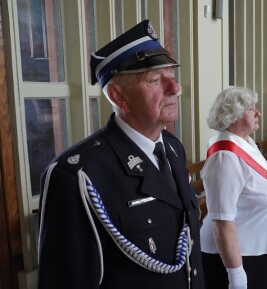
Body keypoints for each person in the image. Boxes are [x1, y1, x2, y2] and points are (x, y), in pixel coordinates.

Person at [37, 20, 204, 288]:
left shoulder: (172, 148)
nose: (174, 89)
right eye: (155, 80)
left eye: (172, 76)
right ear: (118, 96)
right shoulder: (76, 177)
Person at [201, 87, 267, 289]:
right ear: (233, 115)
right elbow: (222, 222)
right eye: (250, 108)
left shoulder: (245, 142)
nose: (258, 112)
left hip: (254, 250)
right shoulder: (225, 156)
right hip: (236, 258)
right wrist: (236, 275)